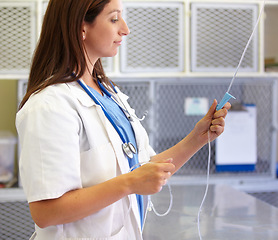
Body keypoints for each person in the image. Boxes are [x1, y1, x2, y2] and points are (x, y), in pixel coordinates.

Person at [16, 0, 231, 239]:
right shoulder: (49, 106)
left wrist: (197, 138)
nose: (125, 29)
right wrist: (128, 183)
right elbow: (46, 212)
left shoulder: (109, 94)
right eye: (114, 18)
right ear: (81, 27)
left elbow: (145, 169)